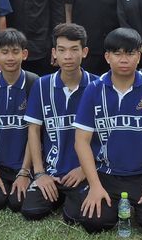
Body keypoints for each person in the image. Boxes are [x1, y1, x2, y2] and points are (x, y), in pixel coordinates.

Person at [70, 28, 142, 237]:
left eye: (130, 53)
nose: (124, 59)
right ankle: (106, 200)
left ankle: (140, 203)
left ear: (139, 57)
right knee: (94, 223)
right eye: (117, 53)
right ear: (107, 57)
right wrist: (95, 185)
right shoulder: (94, 89)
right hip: (106, 173)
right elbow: (81, 141)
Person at [22, 23, 97, 221]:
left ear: (84, 52)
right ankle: (57, 193)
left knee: (76, 217)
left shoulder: (97, 86)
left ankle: (71, 198)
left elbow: (106, 135)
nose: (68, 56)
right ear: (54, 53)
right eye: (62, 50)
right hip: (52, 172)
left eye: (74, 50)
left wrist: (85, 169)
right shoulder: (41, 85)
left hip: (83, 172)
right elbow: (33, 131)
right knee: (31, 211)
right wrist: (40, 173)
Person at [0, 29, 37, 212]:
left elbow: (34, 132)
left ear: (24, 54)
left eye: (15, 52)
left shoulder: (34, 83)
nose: (10, 58)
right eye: (4, 52)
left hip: (26, 164)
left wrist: (25, 172)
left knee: (18, 203)